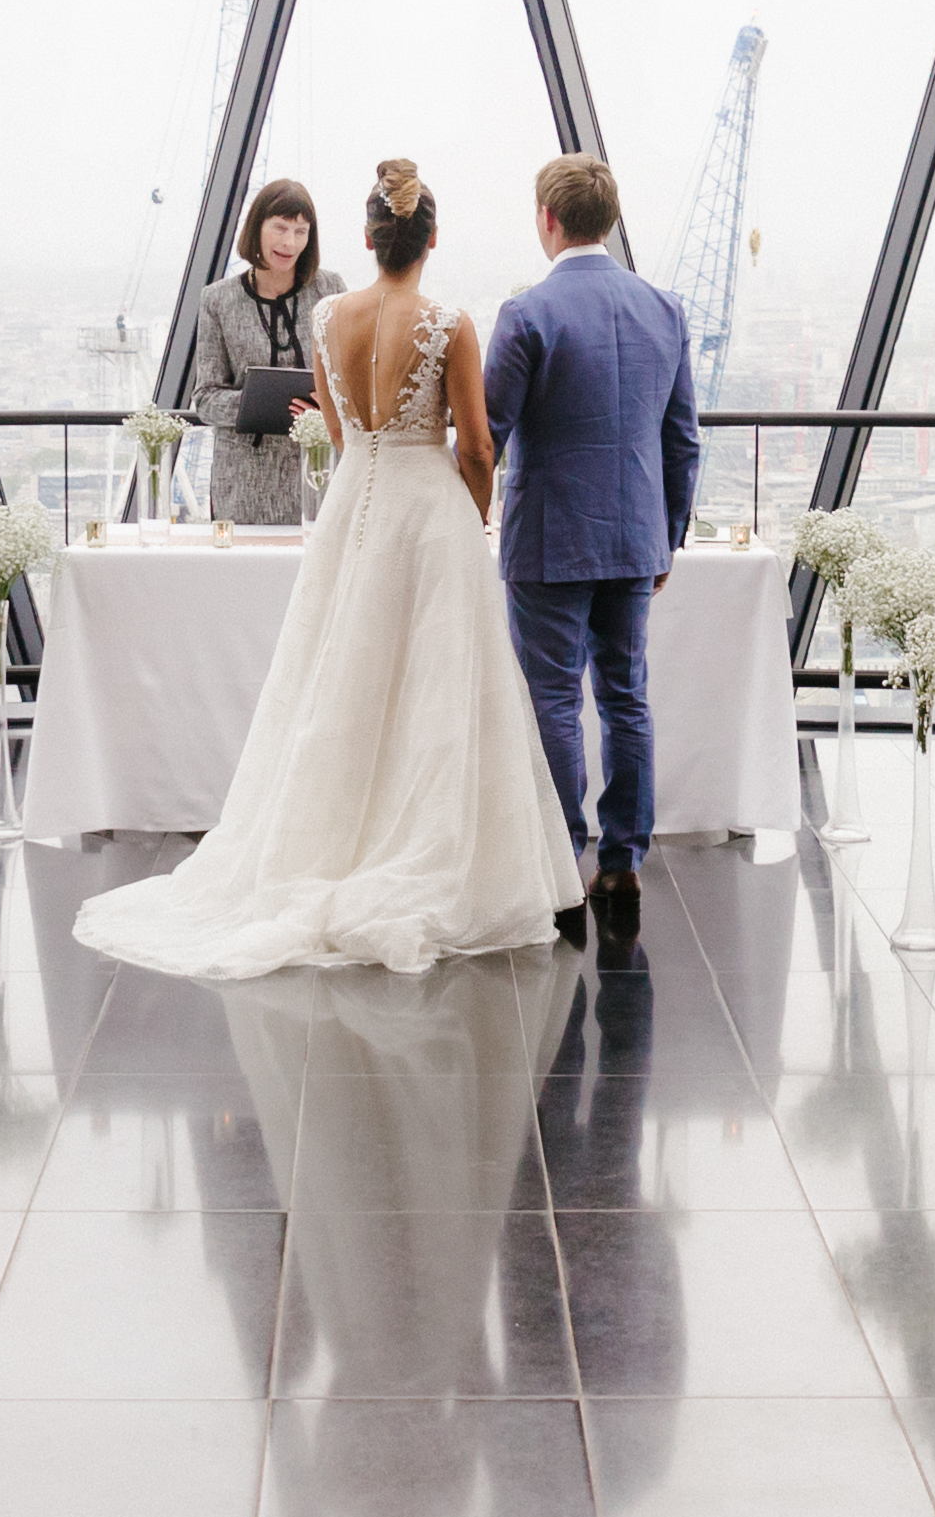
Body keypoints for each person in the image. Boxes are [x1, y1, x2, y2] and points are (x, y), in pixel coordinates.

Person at [74, 161, 586, 977]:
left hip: (356, 500)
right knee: (434, 682)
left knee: (338, 674)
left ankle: (327, 842)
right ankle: (426, 844)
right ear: (431, 240)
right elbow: (480, 445)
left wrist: (365, 478)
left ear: (368, 239)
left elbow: (341, 428)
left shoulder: (327, 320)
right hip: (429, 507)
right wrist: (474, 508)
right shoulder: (449, 321)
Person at [483, 151, 704, 920]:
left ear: (547, 219)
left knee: (551, 698)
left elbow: (489, 433)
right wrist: (667, 537)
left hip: (549, 538)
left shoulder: (527, 315)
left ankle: (557, 855)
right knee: (625, 695)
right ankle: (621, 861)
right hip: (637, 536)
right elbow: (684, 441)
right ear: (609, 221)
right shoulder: (665, 310)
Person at [178, 178, 348, 528]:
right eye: (280, 228)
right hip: (243, 482)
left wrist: (327, 404)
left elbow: (353, 378)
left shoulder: (330, 290)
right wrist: (260, 405)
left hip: (320, 473)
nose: (290, 242)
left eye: (301, 231)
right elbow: (206, 399)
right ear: (257, 229)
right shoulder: (218, 300)